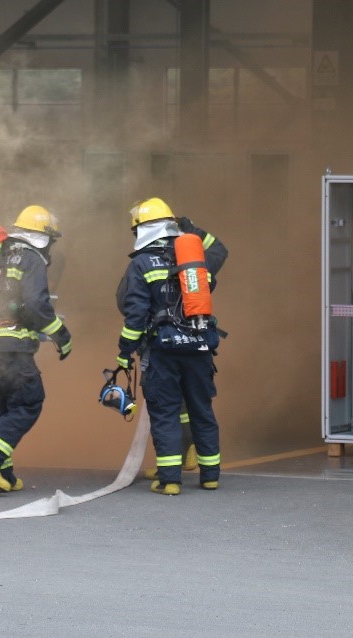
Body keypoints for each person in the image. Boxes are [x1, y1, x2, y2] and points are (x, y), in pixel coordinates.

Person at [115, 198, 225, 495]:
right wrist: (194, 231)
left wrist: (125, 351)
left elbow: (134, 314)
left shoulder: (140, 264)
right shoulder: (195, 261)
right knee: (202, 409)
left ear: (141, 230)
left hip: (163, 351)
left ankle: (170, 480)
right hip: (200, 346)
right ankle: (211, 475)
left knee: (165, 413)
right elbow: (220, 250)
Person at [0, 205, 72, 493]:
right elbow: (38, 305)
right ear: (43, 236)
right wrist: (61, 335)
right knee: (28, 402)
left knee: (0, 408)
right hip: (13, 347)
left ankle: (3, 473)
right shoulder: (31, 258)